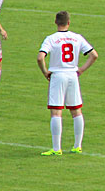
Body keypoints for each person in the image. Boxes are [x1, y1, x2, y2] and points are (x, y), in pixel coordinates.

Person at [37, 11, 96, 156]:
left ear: (56, 22)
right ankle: (77, 145)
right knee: (76, 111)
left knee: (56, 111)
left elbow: (40, 57)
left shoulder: (51, 39)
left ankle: (57, 148)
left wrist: (45, 72)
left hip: (58, 76)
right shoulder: (77, 38)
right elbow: (94, 55)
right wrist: (81, 69)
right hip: (72, 75)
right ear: (69, 22)